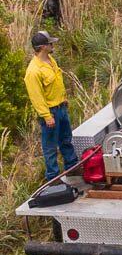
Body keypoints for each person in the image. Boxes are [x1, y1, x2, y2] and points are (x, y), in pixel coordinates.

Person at [25, 29, 78, 182]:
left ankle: (72, 168)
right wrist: (47, 116)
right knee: (50, 147)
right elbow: (36, 97)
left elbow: (55, 84)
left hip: (61, 108)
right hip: (50, 113)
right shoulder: (33, 71)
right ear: (42, 47)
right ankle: (53, 179)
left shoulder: (50, 60)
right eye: (49, 44)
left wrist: (63, 99)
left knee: (66, 140)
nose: (52, 45)